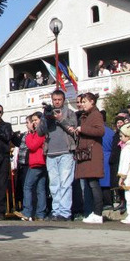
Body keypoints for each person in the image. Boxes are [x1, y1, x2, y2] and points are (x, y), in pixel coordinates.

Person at [38, 90, 77, 221]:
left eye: (59, 99)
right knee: (54, 184)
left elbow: (73, 130)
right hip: (50, 153)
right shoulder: (48, 113)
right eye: (55, 99)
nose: (57, 102)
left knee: (65, 183)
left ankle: (65, 212)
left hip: (66, 152)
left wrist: (61, 119)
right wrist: (45, 117)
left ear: (64, 100)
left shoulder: (70, 113)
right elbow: (39, 132)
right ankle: (56, 211)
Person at [73, 92, 105, 224]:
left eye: (85, 101)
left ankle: (98, 213)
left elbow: (100, 131)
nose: (82, 104)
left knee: (93, 184)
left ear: (92, 101)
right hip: (86, 153)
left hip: (93, 153)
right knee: (89, 184)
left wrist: (83, 129)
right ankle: (93, 212)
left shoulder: (96, 114)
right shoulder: (86, 115)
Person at [16, 113, 47, 221]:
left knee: (27, 187)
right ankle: (40, 214)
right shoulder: (39, 132)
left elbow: (32, 146)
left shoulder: (39, 133)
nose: (33, 123)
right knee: (40, 189)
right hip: (39, 162)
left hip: (36, 162)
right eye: (32, 121)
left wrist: (29, 134)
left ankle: (27, 211)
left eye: (35, 120)